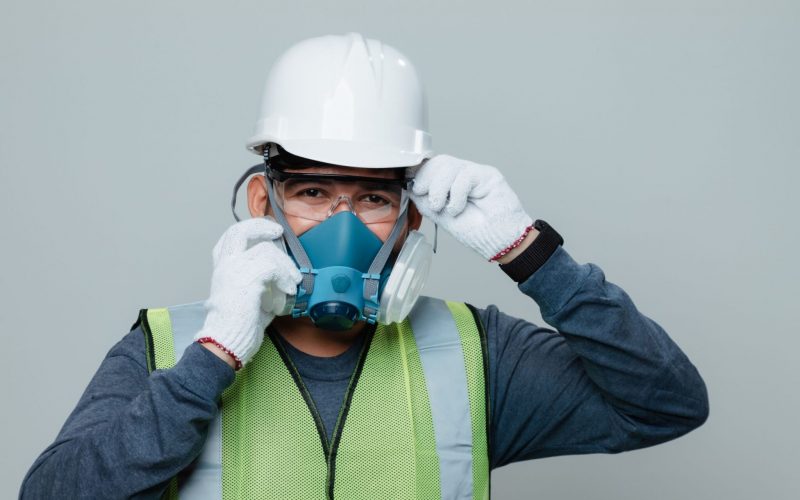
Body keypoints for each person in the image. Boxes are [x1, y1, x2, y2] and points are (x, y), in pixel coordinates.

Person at [20, 32, 708, 499]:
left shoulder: (477, 355)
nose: (341, 225)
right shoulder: (167, 348)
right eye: (312, 192)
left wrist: (528, 252)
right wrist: (213, 357)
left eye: (374, 198)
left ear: (412, 217)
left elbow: (666, 404)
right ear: (263, 201)